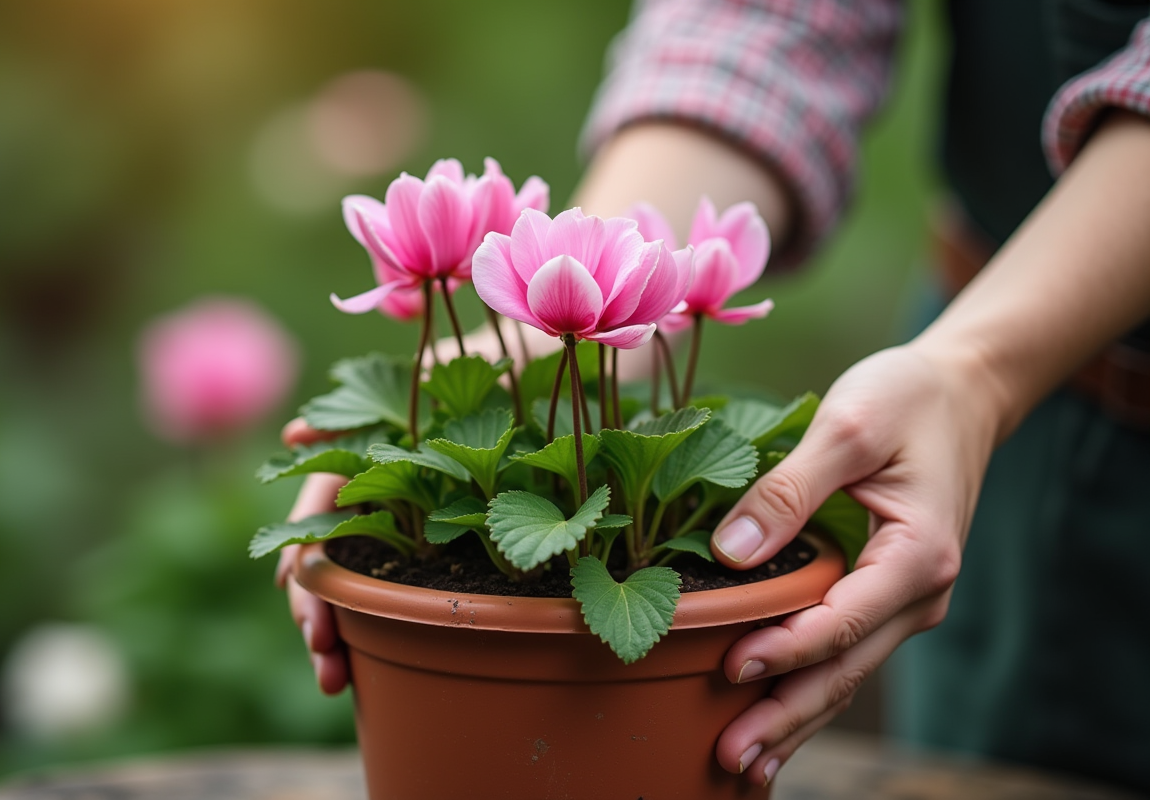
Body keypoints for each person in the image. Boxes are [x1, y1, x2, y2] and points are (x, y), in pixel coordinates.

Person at [279, 0, 1150, 791]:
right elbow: (768, 17)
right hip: (989, 402)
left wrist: (979, 372)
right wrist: (546, 333)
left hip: (987, 382)